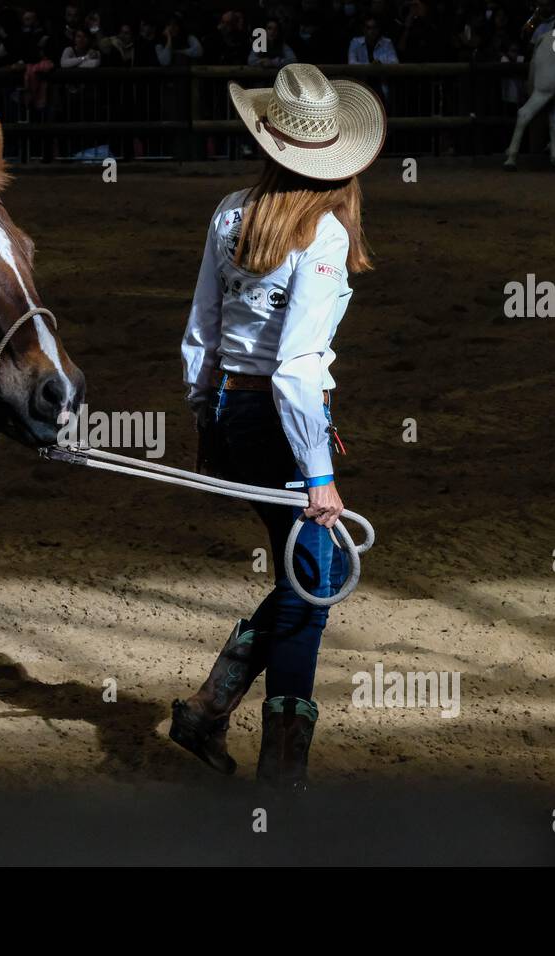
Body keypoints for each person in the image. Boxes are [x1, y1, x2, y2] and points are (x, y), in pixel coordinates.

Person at [173, 63, 385, 790]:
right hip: (282, 418)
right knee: (314, 584)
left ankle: (210, 711)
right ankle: (280, 768)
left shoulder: (230, 213)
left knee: (309, 574)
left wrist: (206, 418)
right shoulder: (322, 234)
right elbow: (297, 369)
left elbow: (201, 332)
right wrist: (320, 474)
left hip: (234, 408)